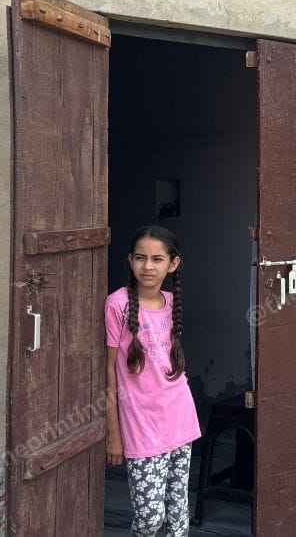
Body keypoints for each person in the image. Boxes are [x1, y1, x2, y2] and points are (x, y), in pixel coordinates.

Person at [106, 225, 201, 536]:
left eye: (157, 259)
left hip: (179, 417)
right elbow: (109, 370)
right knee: (149, 519)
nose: (148, 266)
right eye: (140, 258)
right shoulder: (117, 304)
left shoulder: (171, 303)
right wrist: (113, 432)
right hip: (141, 426)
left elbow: (169, 360)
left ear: (172, 264)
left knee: (177, 514)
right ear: (130, 261)